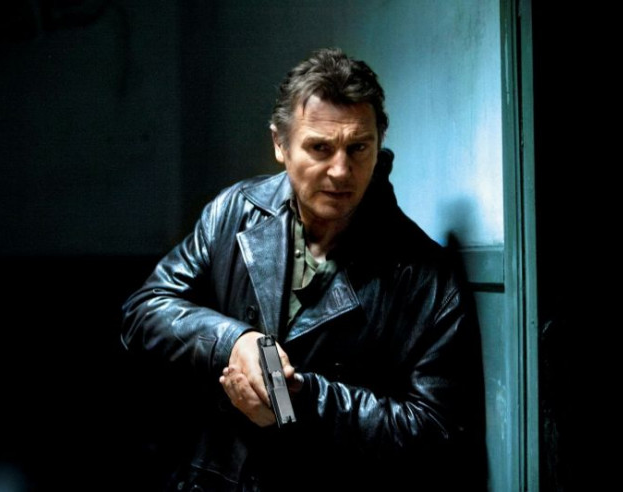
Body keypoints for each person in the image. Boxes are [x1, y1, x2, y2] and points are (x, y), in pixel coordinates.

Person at [121, 47, 486, 491]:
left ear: (379, 143)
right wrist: (235, 342)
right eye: (320, 148)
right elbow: (144, 310)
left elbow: (436, 430)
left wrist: (301, 399)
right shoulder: (235, 211)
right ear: (280, 144)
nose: (341, 171)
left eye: (358, 147)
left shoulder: (424, 274)